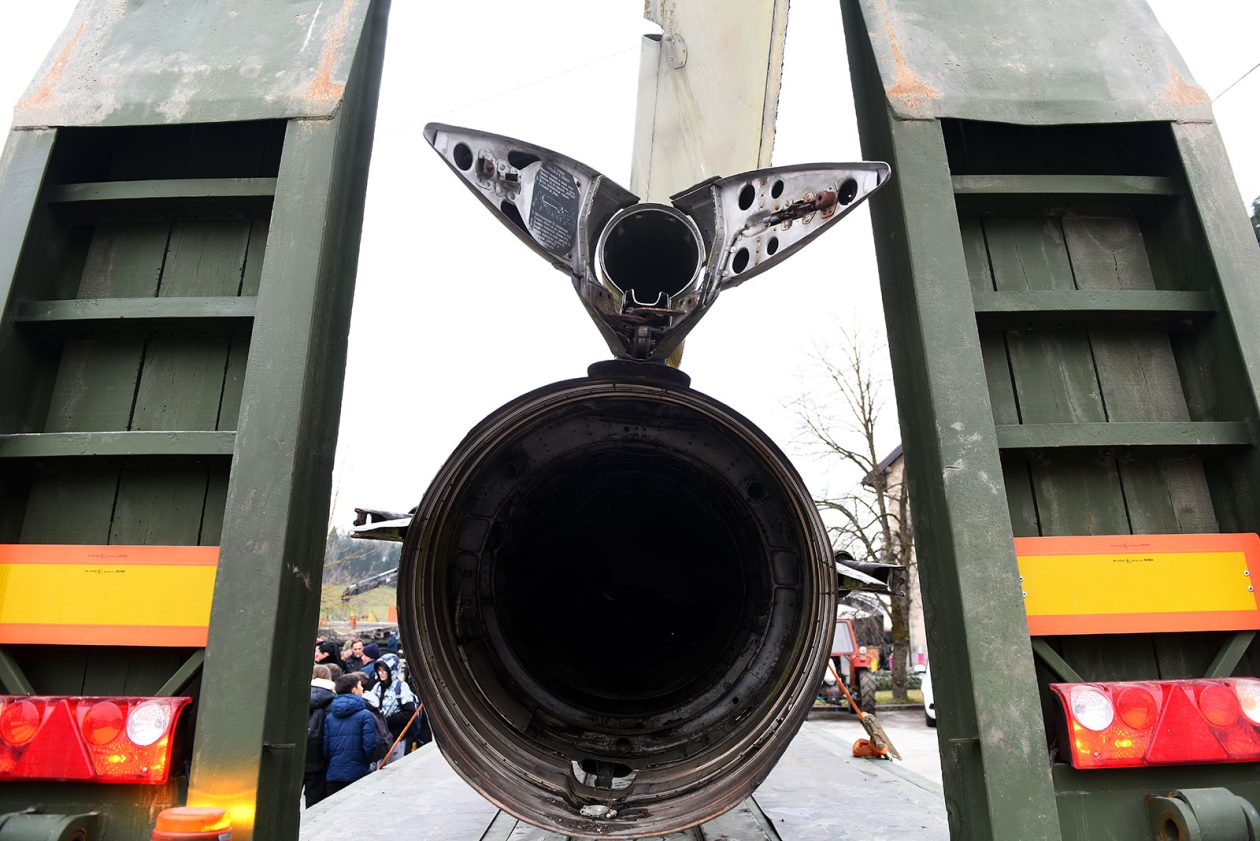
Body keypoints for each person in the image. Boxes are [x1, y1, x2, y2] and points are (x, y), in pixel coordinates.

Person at [323, 673, 378, 793]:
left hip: (334, 773)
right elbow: (370, 745)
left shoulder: (330, 717)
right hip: (358, 772)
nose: (362, 688)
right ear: (354, 690)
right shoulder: (365, 715)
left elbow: (325, 748)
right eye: (360, 686)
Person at [369, 654, 418, 762]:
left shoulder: (401, 687)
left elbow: (409, 713)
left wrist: (387, 720)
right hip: (381, 737)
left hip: (397, 737)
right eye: (379, 670)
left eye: (384, 670)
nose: (381, 673)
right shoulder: (377, 687)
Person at [304, 665, 336, 807]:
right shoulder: (333, 699)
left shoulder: (301, 696)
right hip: (320, 758)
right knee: (315, 800)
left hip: (300, 754)